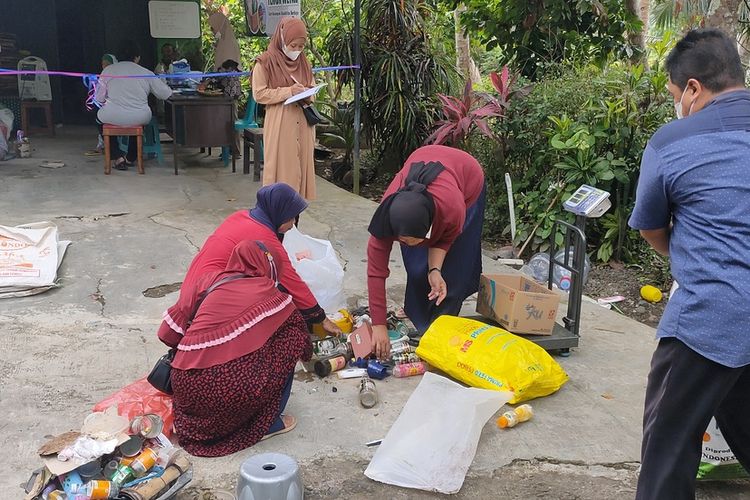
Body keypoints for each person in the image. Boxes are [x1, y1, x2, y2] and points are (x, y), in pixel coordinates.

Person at [628, 29, 750, 499]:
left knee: (667, 449)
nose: (678, 104)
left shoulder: (673, 141)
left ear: (694, 89)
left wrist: (690, 252)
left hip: (708, 319)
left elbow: (651, 229)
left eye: (677, 95)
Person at [158, 239, 312, 456]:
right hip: (230, 393)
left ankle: (207, 419)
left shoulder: (207, 281)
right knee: (293, 337)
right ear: (268, 267)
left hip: (186, 388)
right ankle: (267, 423)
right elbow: (304, 344)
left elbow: (166, 333)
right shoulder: (272, 293)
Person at [366, 145, 486, 357]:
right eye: (403, 241)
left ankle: (443, 323)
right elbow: (376, 272)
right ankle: (418, 315)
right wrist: (379, 325)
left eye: (415, 240)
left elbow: (446, 238)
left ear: (429, 227)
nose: (409, 244)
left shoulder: (453, 210)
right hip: (424, 169)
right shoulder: (387, 217)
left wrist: (435, 270)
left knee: (457, 264)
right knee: (415, 263)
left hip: (467, 179)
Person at [176, 183, 341, 335]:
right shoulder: (264, 237)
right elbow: (291, 280)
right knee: (283, 304)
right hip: (206, 302)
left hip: (193, 293)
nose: (293, 224)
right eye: (291, 218)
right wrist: (321, 318)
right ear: (279, 213)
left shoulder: (242, 216)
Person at [253, 17, 317, 200]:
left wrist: (309, 92)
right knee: (283, 174)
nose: (296, 50)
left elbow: (312, 86)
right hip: (281, 125)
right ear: (282, 39)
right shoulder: (265, 62)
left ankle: (295, 224)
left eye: (301, 46)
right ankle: (281, 225)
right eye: (293, 45)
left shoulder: (304, 63)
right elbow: (259, 94)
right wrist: (288, 91)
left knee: (301, 175)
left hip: (304, 125)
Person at [95, 40, 172, 170]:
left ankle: (117, 156)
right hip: (140, 115)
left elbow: (99, 98)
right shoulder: (146, 72)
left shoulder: (108, 71)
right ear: (137, 57)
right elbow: (165, 94)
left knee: (99, 119)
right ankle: (131, 158)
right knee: (138, 123)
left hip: (113, 115)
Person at [85, 54, 118, 157]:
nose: (105, 66)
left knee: (100, 117)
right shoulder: (105, 76)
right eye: (103, 64)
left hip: (116, 110)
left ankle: (113, 150)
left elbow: (99, 98)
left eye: (107, 64)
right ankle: (103, 145)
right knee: (99, 114)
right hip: (119, 110)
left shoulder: (112, 76)